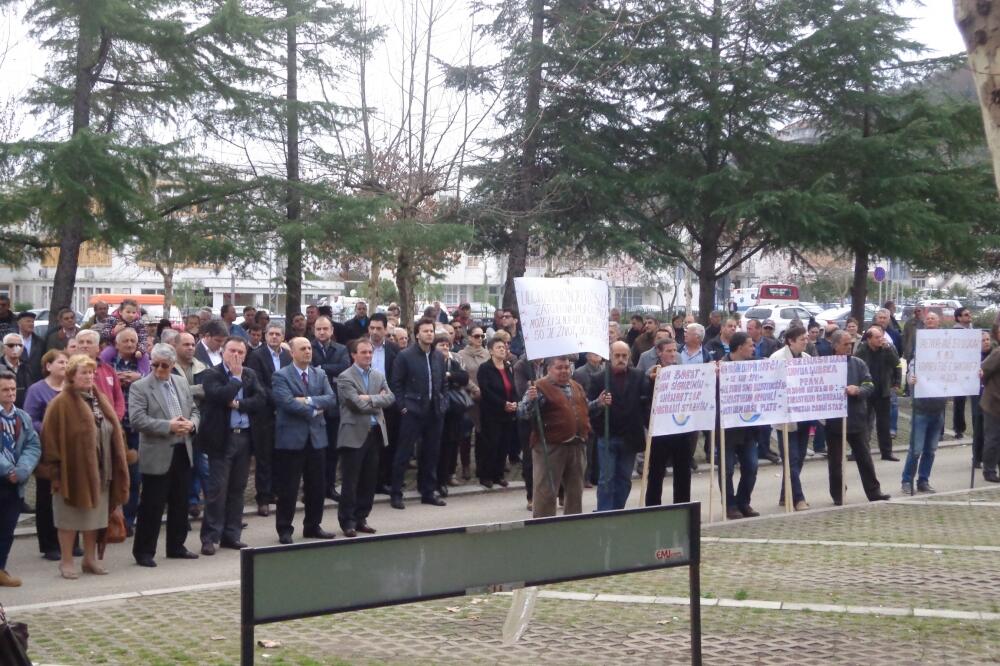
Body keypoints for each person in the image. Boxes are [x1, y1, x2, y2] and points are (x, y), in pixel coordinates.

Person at [41, 354, 131, 579]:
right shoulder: (60, 403)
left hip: (102, 471)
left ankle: (90, 559)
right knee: (69, 519)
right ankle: (67, 561)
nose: (89, 376)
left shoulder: (99, 399)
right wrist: (54, 473)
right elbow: (49, 439)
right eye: (84, 372)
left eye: (91, 372)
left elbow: (113, 431)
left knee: (95, 519)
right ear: (72, 376)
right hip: (72, 473)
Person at [128, 344, 201, 566]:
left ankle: (176, 546)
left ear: (172, 365)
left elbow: (195, 409)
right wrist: (168, 426)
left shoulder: (180, 382)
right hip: (157, 452)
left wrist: (192, 424)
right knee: (152, 505)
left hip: (182, 449)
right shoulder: (140, 387)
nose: (159, 369)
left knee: (180, 503)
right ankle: (144, 552)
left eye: (164, 365)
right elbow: (137, 420)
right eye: (155, 364)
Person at [197, 338, 264, 555]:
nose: (236, 355)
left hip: (244, 438)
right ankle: (210, 536)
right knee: (217, 490)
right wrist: (235, 379)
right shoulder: (212, 374)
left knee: (238, 489)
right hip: (222, 440)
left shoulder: (250, 374)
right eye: (232, 351)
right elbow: (219, 396)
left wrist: (238, 404)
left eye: (241, 352)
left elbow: (260, 400)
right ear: (223, 352)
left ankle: (231, 534)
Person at [272, 337, 338, 544]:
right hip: (291, 440)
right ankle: (284, 529)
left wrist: (308, 401)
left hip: (317, 439)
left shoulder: (320, 374)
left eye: (309, 348)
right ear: (292, 353)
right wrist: (314, 410)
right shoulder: (281, 376)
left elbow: (331, 399)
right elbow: (287, 403)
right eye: (303, 348)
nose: (308, 351)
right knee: (288, 488)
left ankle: (312, 526)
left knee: (317, 487)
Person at [518, 356, 592, 518]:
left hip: (577, 445)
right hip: (550, 447)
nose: (564, 371)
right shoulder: (539, 387)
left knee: (575, 493)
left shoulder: (576, 386)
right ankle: (544, 531)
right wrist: (531, 400)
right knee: (546, 493)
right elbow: (523, 413)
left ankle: (573, 529)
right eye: (559, 367)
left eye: (567, 367)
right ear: (549, 369)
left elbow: (586, 408)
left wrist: (600, 403)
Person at [336, 339, 394, 537]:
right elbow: (355, 405)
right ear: (354, 355)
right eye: (364, 352)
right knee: (351, 481)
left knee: (369, 480)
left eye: (370, 352)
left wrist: (368, 397)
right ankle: (348, 521)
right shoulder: (345, 377)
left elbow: (391, 398)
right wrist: (378, 399)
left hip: (375, 433)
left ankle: (362, 517)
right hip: (353, 434)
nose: (368, 355)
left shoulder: (378, 375)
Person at [825, 330, 891, 505]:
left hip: (857, 418)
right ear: (836, 345)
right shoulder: (825, 365)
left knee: (865, 458)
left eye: (851, 344)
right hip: (834, 421)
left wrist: (859, 391)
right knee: (836, 462)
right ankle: (838, 494)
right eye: (846, 344)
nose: (849, 347)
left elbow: (869, 384)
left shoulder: (858, 364)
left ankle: (874, 491)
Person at [389, 318, 447, 509]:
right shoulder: (405, 356)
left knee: (431, 453)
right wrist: (403, 406)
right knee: (403, 454)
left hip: (434, 411)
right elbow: (396, 383)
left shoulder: (438, 356)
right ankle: (396, 493)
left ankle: (428, 492)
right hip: (412, 411)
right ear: (417, 334)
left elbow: (443, 383)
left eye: (431, 331)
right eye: (425, 331)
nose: (429, 334)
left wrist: (443, 402)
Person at [591, 341, 650, 511]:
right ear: (610, 356)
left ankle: (618, 510)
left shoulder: (638, 376)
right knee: (606, 478)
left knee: (624, 478)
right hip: (608, 436)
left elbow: (646, 401)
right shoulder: (599, 379)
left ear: (629, 357)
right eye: (617, 355)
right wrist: (600, 425)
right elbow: (591, 407)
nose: (621, 359)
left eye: (624, 356)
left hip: (630, 438)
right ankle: (605, 512)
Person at [24, 350, 69, 561]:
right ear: (48, 366)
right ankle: (49, 544)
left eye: (67, 362)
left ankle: (70, 541)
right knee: (46, 497)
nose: (65, 365)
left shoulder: (71, 388)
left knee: (70, 495)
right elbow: (29, 419)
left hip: (70, 450)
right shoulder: (37, 390)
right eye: (60, 362)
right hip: (47, 451)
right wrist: (52, 428)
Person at [101, 328, 147, 532]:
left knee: (134, 477)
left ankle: (128, 521)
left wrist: (140, 378)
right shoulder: (107, 363)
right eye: (125, 341)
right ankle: (106, 520)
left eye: (133, 341)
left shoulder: (143, 364)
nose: (129, 344)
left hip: (134, 428)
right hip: (111, 427)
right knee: (108, 475)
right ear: (116, 345)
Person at [0, 370, 42, 586]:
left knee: (7, 529)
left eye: (12, 389)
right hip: (3, 476)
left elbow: (33, 445)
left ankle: (1, 569)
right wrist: (8, 469)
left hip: (16, 482)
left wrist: (24, 468)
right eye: (5, 390)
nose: (10, 393)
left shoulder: (21, 417)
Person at [246, 323, 291, 516]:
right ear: (265, 336)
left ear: (282, 336)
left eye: (277, 334)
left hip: (284, 415)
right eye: (271, 334)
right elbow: (258, 385)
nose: (274, 337)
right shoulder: (256, 356)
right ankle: (263, 498)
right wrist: (280, 400)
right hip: (264, 414)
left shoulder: (287, 356)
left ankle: (275, 492)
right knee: (263, 457)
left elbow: (291, 380)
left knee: (280, 456)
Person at [715, 332, 761, 519]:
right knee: (726, 469)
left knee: (751, 466)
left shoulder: (755, 366)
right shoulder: (720, 367)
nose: (753, 349)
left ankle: (744, 502)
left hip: (748, 426)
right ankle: (730, 505)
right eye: (750, 345)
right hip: (727, 427)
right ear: (740, 347)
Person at [900, 312, 946, 495]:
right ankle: (907, 480)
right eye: (929, 319)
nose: (931, 321)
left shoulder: (945, 345)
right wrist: (911, 378)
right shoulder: (919, 343)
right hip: (921, 408)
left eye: (934, 318)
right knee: (916, 450)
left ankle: (923, 480)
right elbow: (912, 364)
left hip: (938, 408)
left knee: (931, 450)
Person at [645, 339, 694, 506]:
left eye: (674, 350)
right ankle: (652, 507)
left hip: (681, 428)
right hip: (660, 431)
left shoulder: (682, 372)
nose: (673, 354)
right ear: (659, 352)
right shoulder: (652, 372)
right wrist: (652, 381)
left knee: (683, 471)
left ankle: (682, 506)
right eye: (669, 351)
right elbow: (646, 399)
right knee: (656, 472)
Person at [771, 325, 812, 511]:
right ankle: (798, 498)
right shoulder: (777, 359)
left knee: (800, 457)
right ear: (791, 341)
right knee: (791, 457)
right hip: (786, 418)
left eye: (806, 338)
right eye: (802, 339)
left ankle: (784, 494)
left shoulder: (808, 359)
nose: (806, 341)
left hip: (803, 416)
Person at [854, 326, 901, 461]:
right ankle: (859, 451)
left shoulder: (888, 348)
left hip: (883, 391)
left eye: (881, 337)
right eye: (877, 337)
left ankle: (887, 452)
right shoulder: (862, 349)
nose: (880, 340)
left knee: (884, 425)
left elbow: (896, 364)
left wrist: (897, 382)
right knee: (863, 423)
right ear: (869, 339)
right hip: (867, 392)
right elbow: (856, 367)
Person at [477, 337, 518, 491]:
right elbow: (486, 391)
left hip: (507, 414)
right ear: (491, 351)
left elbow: (512, 388)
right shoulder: (485, 368)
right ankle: (485, 475)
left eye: (504, 347)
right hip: (491, 413)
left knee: (503, 444)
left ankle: (498, 474)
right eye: (499, 347)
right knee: (490, 444)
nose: (503, 349)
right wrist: (503, 404)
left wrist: (514, 402)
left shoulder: (508, 367)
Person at [435, 335, 469, 496]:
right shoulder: (431, 362)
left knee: (451, 444)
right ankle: (435, 479)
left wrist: (449, 375)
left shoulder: (454, 363)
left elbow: (464, 377)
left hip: (453, 412)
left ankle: (447, 476)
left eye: (447, 345)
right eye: (441, 345)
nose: (445, 347)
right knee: (436, 446)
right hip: (435, 411)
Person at [458, 325, 490, 481]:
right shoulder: (461, 354)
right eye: (476, 336)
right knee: (465, 433)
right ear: (469, 337)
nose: (479, 339)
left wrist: (485, 391)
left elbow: (490, 372)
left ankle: (481, 464)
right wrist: (474, 389)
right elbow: (462, 375)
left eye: (482, 336)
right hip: (467, 398)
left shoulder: (487, 354)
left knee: (481, 433)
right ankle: (465, 466)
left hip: (483, 399)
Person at [74, 330, 125, 421]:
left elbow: (119, 399)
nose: (84, 345)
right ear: (76, 347)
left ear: (97, 348)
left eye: (89, 342)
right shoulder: (70, 371)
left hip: (109, 426)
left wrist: (115, 420)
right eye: (81, 342)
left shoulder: (109, 370)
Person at [952, 307, 975, 440]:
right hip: (959, 370)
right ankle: (959, 428)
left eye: (969, 314)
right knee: (959, 401)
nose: (969, 316)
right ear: (959, 318)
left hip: (972, 369)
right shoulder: (956, 331)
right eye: (966, 315)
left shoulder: (971, 330)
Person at [982, 327, 1000, 482]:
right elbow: (982, 371)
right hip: (993, 403)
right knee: (993, 438)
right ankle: (988, 470)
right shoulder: (998, 353)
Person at [1, 333, 33, 408]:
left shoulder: (27, 367)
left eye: (19, 345)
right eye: (11, 345)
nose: (15, 348)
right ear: (4, 347)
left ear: (22, 349)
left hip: (24, 411)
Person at [17, 311, 44, 381]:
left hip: (36, 380)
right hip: (18, 381)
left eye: (32, 322)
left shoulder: (40, 342)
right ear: (19, 324)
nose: (31, 324)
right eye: (28, 321)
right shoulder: (12, 341)